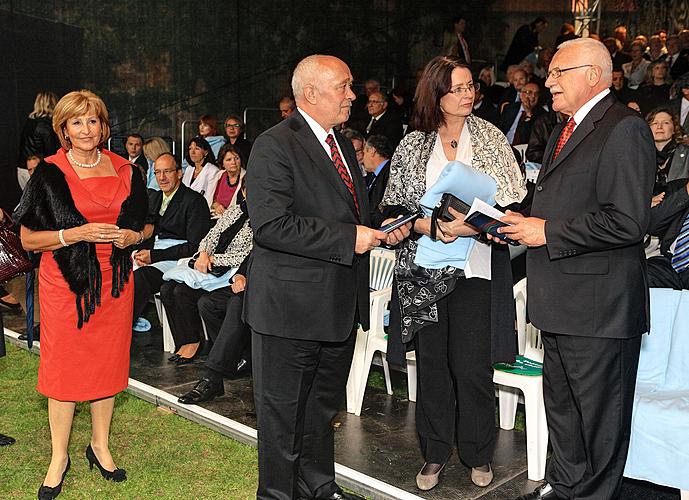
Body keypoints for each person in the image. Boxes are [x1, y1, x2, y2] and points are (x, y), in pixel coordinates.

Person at [499, 38, 655, 500]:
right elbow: (556, 203)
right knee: (564, 413)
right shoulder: (567, 128)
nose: (547, 81)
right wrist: (511, 221)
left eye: (557, 72)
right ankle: (564, 489)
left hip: (599, 309)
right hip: (561, 304)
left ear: (592, 74)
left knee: (598, 424)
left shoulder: (624, 129)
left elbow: (627, 221)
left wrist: (546, 231)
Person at [245, 54, 405, 500]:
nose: (353, 96)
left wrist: (387, 227)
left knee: (320, 411)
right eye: (345, 86)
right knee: (282, 417)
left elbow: (351, 213)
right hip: (289, 311)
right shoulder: (275, 144)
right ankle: (277, 494)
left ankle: (319, 487)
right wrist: (347, 237)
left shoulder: (339, 146)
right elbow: (272, 226)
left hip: (336, 308)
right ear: (310, 93)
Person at [379, 55, 526, 491]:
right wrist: (434, 226)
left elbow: (514, 198)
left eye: (470, 87)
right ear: (436, 94)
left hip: (476, 268)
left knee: (472, 367)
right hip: (424, 270)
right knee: (433, 364)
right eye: (458, 88)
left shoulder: (490, 136)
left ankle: (477, 453)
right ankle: (435, 453)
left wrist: (471, 225)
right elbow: (395, 210)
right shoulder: (413, 144)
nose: (468, 94)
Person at [15, 89, 149, 499]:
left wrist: (134, 235)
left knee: (107, 367)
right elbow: (27, 239)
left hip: (115, 284)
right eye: (77, 122)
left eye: (92, 121)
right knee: (64, 371)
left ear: (103, 126)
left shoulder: (127, 169)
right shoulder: (49, 172)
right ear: (63, 130)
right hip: (66, 287)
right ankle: (59, 457)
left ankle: (99, 446)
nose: (86, 129)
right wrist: (75, 234)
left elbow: (145, 226)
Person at [161, 179, 252, 365]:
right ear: (243, 191)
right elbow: (212, 235)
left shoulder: (262, 219)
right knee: (167, 289)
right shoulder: (234, 211)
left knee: (182, 292)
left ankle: (201, 345)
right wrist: (203, 253)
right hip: (209, 266)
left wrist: (212, 260)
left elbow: (247, 255)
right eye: (248, 189)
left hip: (229, 271)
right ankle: (185, 341)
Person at [131, 153, 210, 331]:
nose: (162, 177)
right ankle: (105, 328)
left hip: (179, 261)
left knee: (139, 279)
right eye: (157, 172)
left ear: (179, 173)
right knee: (119, 273)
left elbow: (195, 246)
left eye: (167, 171)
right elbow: (149, 232)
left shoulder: (194, 201)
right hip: (155, 257)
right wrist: (140, 252)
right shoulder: (155, 198)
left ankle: (120, 330)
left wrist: (154, 256)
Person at [17, 91, 60, 190]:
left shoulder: (29, 122)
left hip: (22, 169)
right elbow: (51, 154)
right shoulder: (46, 126)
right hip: (35, 172)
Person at [182, 136, 220, 207]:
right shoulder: (189, 169)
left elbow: (209, 198)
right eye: (190, 148)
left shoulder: (213, 170)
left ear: (206, 152)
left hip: (200, 209)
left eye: (197, 149)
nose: (192, 152)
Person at [210, 143, 246, 216]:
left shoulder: (246, 178)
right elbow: (211, 199)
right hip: (216, 217)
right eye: (229, 160)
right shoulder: (219, 176)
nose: (233, 162)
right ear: (222, 163)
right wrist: (216, 205)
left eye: (236, 158)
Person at [362, 134, 392, 211]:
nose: (362, 158)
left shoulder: (389, 173)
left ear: (372, 151)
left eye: (364, 153)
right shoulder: (377, 175)